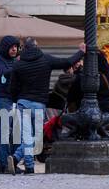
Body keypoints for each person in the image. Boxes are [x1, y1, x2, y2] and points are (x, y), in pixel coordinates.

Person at [8, 38, 85, 175]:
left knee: (27, 136)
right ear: (37, 46)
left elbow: (13, 88)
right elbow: (67, 62)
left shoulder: (18, 65)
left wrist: (17, 100)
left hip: (23, 103)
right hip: (38, 104)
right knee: (35, 137)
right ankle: (25, 165)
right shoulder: (46, 59)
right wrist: (81, 52)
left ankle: (19, 160)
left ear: (24, 48)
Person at [0, 36, 20, 174]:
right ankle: (3, 164)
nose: (14, 49)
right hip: (3, 100)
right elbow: (3, 73)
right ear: (5, 47)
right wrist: (18, 65)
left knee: (16, 134)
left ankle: (11, 162)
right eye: (12, 47)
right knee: (4, 134)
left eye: (16, 46)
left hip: (15, 101)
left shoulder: (15, 60)